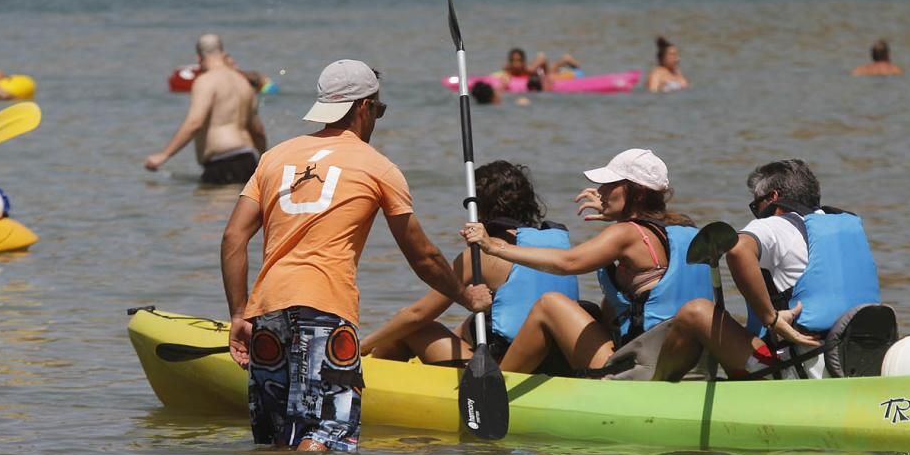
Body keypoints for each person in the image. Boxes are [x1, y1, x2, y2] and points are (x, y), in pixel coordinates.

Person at [220, 59, 492, 453]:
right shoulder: (378, 167)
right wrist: (467, 298)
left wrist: (238, 313)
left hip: (269, 310)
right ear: (364, 107)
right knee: (328, 437)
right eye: (378, 110)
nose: (377, 118)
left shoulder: (275, 157)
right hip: (325, 310)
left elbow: (233, 238)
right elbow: (424, 258)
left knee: (279, 440)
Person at [461, 148, 711, 375]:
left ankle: (496, 385)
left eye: (609, 185)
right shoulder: (683, 229)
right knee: (589, 309)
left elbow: (569, 263)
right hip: (688, 363)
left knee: (550, 304)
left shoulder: (626, 233)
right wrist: (620, 216)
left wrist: (494, 246)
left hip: (645, 367)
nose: (600, 192)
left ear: (637, 191)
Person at [653, 159, 881, 381]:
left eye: (756, 205)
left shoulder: (775, 224)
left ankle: (655, 393)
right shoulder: (844, 229)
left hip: (794, 368)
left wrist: (770, 319)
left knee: (695, 313)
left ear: (773, 198)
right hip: (856, 360)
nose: (756, 213)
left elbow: (738, 249)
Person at [362, 160, 579, 365]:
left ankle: (366, 375)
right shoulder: (557, 247)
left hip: (506, 370)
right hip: (559, 363)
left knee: (408, 328)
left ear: (480, 208)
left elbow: (417, 315)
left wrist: (363, 346)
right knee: (470, 325)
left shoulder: (480, 254)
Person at [145, 33, 267, 184]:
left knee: (211, 207)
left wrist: (164, 155)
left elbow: (194, 123)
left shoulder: (205, 81)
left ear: (199, 58)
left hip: (223, 162)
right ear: (223, 54)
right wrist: (263, 160)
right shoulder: (243, 83)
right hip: (249, 159)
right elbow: (258, 130)